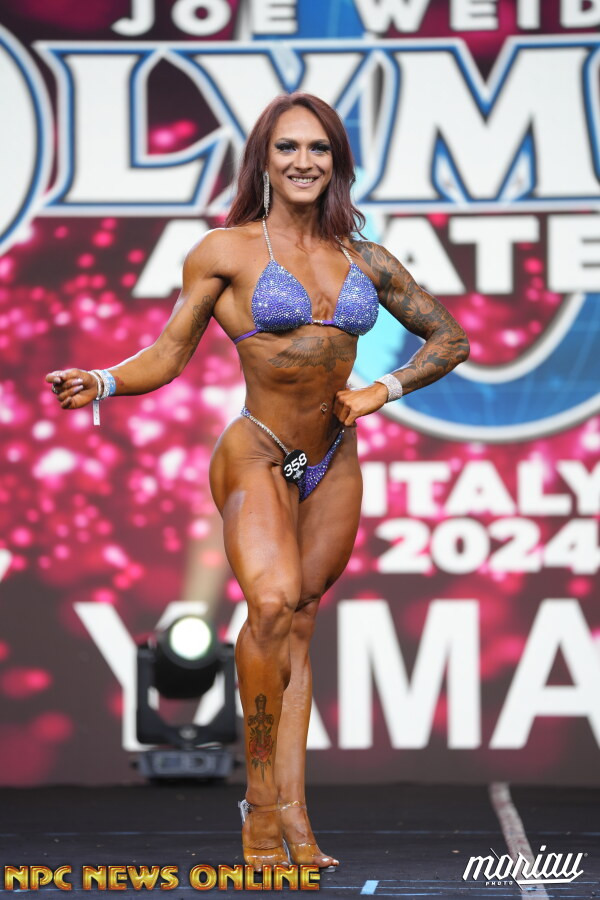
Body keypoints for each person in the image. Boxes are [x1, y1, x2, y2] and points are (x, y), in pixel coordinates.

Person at [45, 92, 469, 872]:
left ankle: (296, 818)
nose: (303, 161)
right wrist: (103, 381)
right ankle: (262, 804)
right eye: (287, 148)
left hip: (332, 458)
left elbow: (450, 339)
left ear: (336, 161)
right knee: (271, 605)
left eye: (318, 148)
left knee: (300, 623)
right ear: (264, 162)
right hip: (259, 451)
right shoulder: (226, 250)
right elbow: (168, 354)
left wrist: (384, 390)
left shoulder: (366, 259)